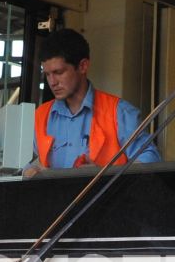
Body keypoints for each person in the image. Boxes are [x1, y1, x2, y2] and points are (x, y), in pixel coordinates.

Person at [22, 29, 161, 177]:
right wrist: (28, 170)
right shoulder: (41, 115)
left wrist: (103, 175)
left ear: (83, 66)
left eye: (59, 72)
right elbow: (33, 162)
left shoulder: (119, 113)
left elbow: (150, 164)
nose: (52, 82)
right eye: (47, 74)